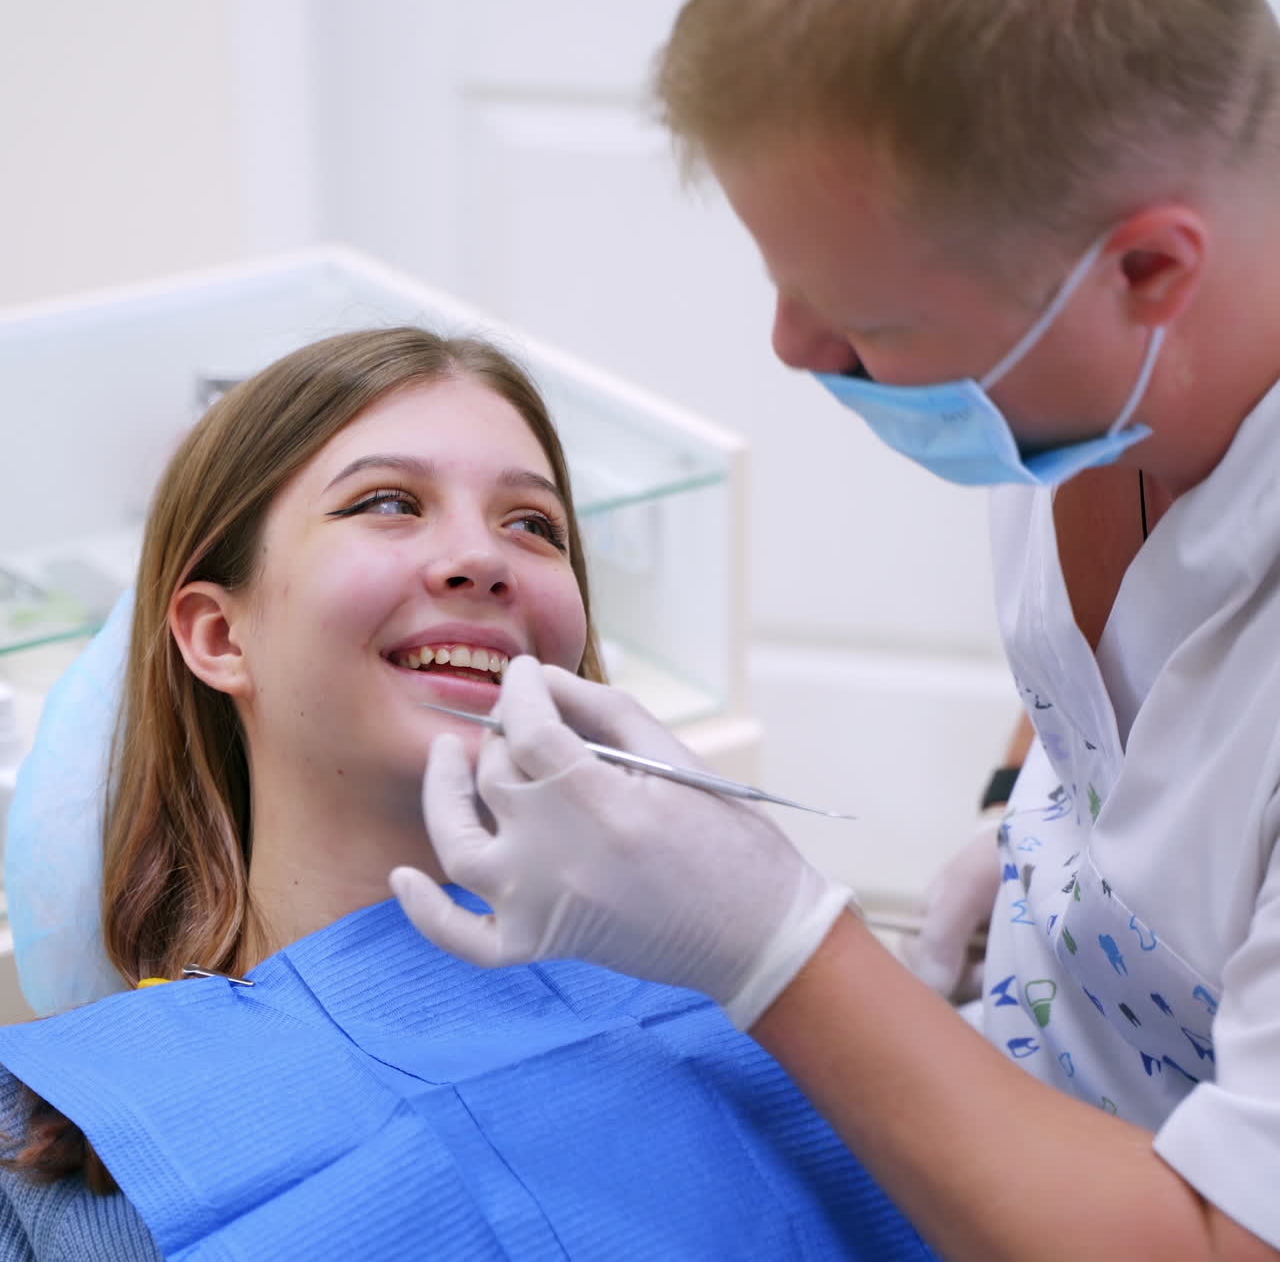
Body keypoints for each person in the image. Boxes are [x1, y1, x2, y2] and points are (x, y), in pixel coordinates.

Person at [393, 0, 1280, 1258]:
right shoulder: (1097, 376)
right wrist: (1017, 794)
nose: (790, 339)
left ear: (1146, 270)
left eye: (869, 321)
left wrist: (779, 948)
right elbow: (1136, 665)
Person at [0, 327, 933, 1260]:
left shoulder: (754, 980)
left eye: (533, 525)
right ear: (218, 637)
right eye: (389, 503)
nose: (482, 558)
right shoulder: (76, 1165)